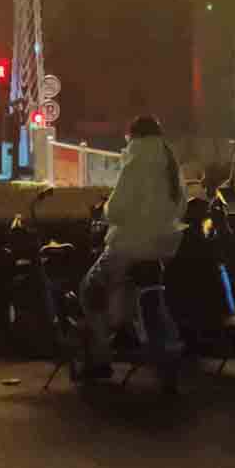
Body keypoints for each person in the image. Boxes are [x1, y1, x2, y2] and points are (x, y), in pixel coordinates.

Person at [79, 114, 186, 376]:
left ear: (133, 136)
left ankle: (101, 358)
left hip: (129, 246)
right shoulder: (170, 161)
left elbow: (116, 210)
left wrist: (106, 209)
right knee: (132, 292)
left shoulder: (136, 160)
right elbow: (180, 206)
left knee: (90, 289)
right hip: (162, 248)